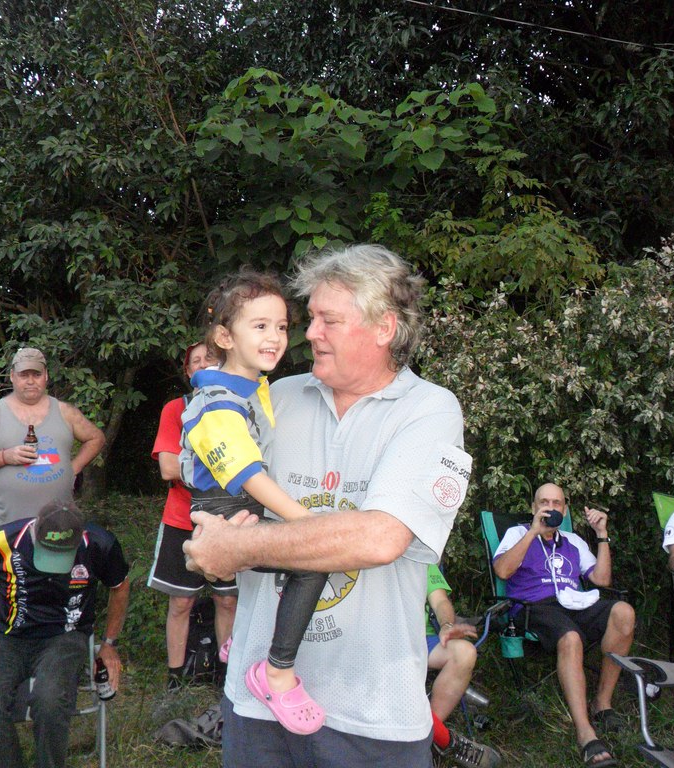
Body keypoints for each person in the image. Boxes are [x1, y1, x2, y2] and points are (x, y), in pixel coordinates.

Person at [184, 244, 473, 768]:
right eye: (311, 317)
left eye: (328, 320)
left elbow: (380, 538)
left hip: (375, 712)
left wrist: (240, 547)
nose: (310, 332)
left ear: (384, 328)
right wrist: (211, 540)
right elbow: (215, 489)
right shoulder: (277, 397)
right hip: (258, 708)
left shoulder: (430, 410)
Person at [180, 268, 327, 734]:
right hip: (226, 509)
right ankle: (276, 671)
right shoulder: (218, 399)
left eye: (281, 326)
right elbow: (247, 472)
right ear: (225, 336)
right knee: (312, 562)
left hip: (238, 505)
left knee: (275, 574)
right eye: (260, 326)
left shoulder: (252, 386)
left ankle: (240, 644)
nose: (275, 337)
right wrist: (305, 521)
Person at [0, 501, 130, 768]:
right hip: (5, 635)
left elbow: (119, 587)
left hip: (65, 636)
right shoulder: (2, 541)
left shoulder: (100, 544)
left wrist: (109, 644)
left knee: (50, 701)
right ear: (34, 533)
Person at [492, 483, 635, 768]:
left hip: (573, 602)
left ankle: (602, 703)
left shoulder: (572, 540)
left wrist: (602, 535)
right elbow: (503, 571)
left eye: (556, 503)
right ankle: (585, 732)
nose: (550, 508)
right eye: (544, 502)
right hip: (534, 607)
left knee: (624, 612)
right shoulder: (518, 533)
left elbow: (601, 580)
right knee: (570, 638)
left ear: (565, 510)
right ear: (534, 508)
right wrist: (533, 532)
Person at [148, 341, 238, 692]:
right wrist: (224, 471)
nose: (202, 365)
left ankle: (226, 675)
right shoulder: (176, 408)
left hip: (231, 519)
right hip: (182, 518)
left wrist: (199, 469)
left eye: (209, 358)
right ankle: (175, 679)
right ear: (188, 373)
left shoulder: (237, 405)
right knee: (181, 601)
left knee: (227, 600)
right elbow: (168, 468)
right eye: (194, 361)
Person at [0, 347, 106, 531]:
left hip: (59, 529)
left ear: (46, 375)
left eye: (37, 374)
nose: (31, 381)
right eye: (24, 375)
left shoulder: (65, 412)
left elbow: (96, 437)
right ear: (12, 376)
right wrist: (4, 457)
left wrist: (73, 468)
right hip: (7, 531)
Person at [426, 564, 501, 768]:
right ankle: (438, 740)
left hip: (421, 639)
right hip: (379, 644)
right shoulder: (362, 561)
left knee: (464, 652)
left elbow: (440, 601)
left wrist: (446, 626)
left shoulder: (419, 558)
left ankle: (428, 738)